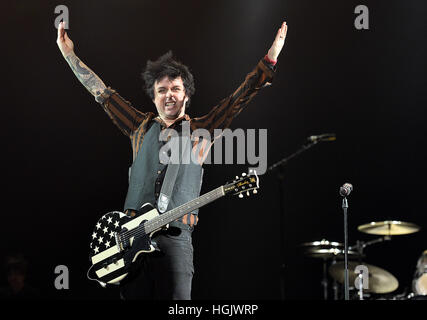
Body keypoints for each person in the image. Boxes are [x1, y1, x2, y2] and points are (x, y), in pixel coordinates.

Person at [56, 20, 288, 300]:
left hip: (176, 241)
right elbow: (101, 93)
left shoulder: (201, 131)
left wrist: (270, 60)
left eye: (176, 89)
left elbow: (236, 100)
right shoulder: (139, 127)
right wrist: (69, 54)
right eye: (162, 90)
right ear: (153, 97)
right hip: (130, 241)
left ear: (186, 96)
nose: (169, 95)